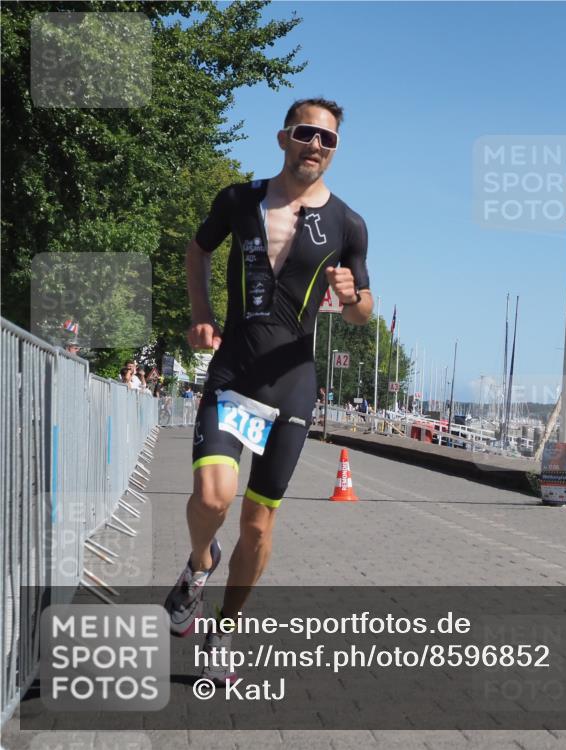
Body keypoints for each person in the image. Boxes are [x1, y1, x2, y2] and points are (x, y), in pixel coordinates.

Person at [164, 97, 372, 685]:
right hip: (235, 372)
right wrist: (201, 312)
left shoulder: (348, 224)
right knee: (212, 498)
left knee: (258, 522)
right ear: (284, 138)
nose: (316, 145)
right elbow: (197, 250)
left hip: (292, 385)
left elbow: (361, 313)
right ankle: (198, 567)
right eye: (307, 133)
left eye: (328, 139)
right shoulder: (238, 200)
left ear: (335, 150)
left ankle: (224, 631)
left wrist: (353, 294)